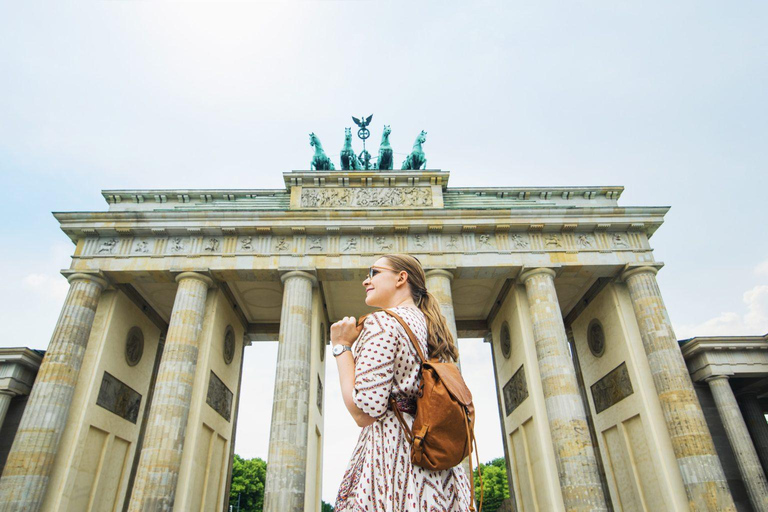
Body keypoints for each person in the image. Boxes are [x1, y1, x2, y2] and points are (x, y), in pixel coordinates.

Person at [331, 254, 473, 511]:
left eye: (373, 272)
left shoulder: (382, 322)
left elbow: (364, 412)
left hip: (395, 458)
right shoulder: (427, 324)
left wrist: (342, 348)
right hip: (430, 457)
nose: (365, 281)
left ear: (401, 277)